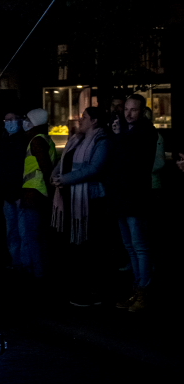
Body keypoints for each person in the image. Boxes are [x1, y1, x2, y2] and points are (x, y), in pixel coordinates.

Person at [51, 106, 110, 306]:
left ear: (94, 121)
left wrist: (65, 179)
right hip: (71, 198)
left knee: (88, 243)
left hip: (89, 199)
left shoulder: (101, 140)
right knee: (73, 242)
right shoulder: (77, 139)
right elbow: (64, 159)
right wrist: (55, 175)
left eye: (84, 117)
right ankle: (76, 287)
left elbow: (94, 168)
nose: (80, 119)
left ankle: (91, 291)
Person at [112, 93, 157, 312]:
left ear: (142, 111)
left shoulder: (145, 132)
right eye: (126, 109)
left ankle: (144, 292)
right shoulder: (126, 131)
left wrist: (119, 135)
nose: (128, 113)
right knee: (131, 246)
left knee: (139, 246)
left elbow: (132, 159)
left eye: (133, 110)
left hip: (136, 197)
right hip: (123, 196)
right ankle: (136, 289)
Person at [19, 108, 58, 284]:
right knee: (40, 237)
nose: (24, 121)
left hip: (34, 196)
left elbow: (45, 168)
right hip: (39, 195)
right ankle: (43, 271)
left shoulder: (37, 141)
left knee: (34, 237)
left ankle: (39, 275)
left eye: (27, 118)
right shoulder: (45, 139)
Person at [0, 109, 26, 272]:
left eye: (13, 119)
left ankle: (24, 263)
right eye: (7, 120)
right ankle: (17, 262)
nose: (10, 123)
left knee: (22, 231)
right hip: (8, 194)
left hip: (19, 193)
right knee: (12, 231)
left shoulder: (22, 141)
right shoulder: (4, 141)